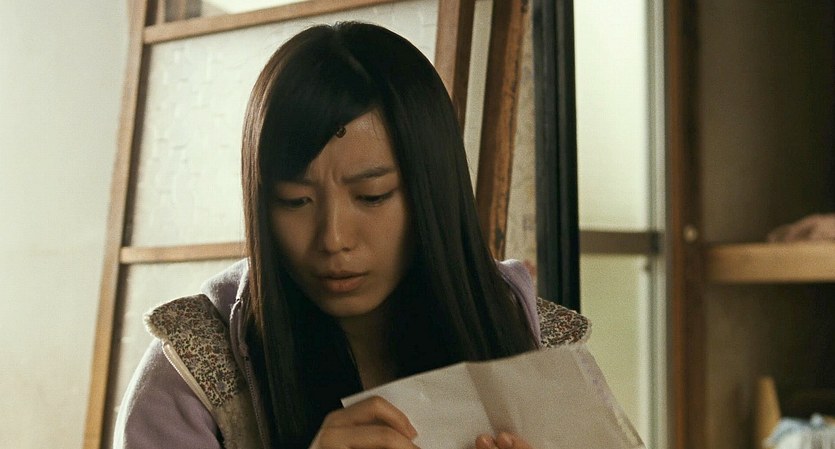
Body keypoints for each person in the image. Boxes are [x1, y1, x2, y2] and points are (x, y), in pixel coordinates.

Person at [113, 22, 589, 449]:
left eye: (372, 196)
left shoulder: (536, 342)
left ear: (433, 193)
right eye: (295, 201)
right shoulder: (194, 368)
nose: (334, 239)